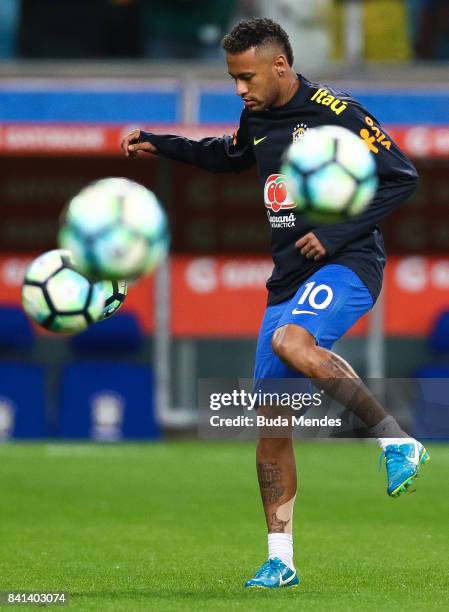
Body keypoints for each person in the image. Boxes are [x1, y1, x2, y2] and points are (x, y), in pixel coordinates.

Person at [121, 18, 429, 590]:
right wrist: (160, 143)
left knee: (294, 342)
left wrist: (336, 236)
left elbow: (402, 178)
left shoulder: (341, 114)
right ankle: (280, 560)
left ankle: (396, 441)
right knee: (272, 424)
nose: (240, 89)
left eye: (246, 77)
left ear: (280, 66)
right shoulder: (257, 117)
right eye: (233, 79)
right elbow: (229, 156)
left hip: (349, 264)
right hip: (289, 278)